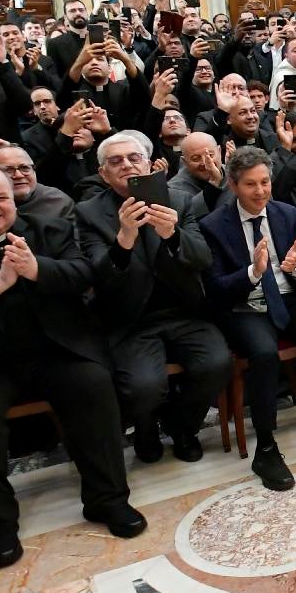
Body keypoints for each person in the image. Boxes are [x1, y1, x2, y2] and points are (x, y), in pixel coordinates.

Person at [0, 164, 145, 569]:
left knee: (93, 384)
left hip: (55, 350)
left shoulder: (49, 229)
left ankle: (108, 500)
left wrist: (37, 270)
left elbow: (85, 272)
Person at [200, 146, 296, 491]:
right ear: (233, 185)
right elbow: (215, 290)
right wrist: (252, 273)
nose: (260, 192)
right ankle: (266, 448)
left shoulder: (285, 213)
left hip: (290, 297)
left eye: (265, 183)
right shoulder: (213, 225)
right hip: (246, 306)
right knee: (264, 354)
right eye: (251, 185)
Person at [75, 131, 232, 463]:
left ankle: (182, 426)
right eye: (115, 161)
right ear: (103, 173)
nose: (127, 166)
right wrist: (123, 240)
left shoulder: (176, 200)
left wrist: (173, 235)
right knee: (144, 387)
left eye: (134, 158)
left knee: (217, 364)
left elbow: (202, 259)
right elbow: (97, 277)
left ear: (149, 163)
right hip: (131, 319)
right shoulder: (89, 212)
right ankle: (146, 429)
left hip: (183, 311)